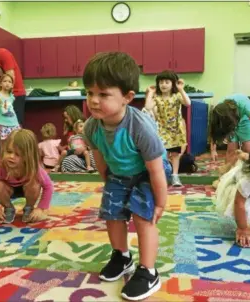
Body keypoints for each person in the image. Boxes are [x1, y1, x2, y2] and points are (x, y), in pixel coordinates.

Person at [83, 52, 172, 301]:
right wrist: (109, 185)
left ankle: (148, 271)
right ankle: (122, 256)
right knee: (112, 214)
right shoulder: (91, 126)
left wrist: (161, 202)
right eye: (89, 93)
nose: (93, 100)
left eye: (103, 94)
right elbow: (100, 157)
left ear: (127, 97)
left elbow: (156, 169)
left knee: (144, 218)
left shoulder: (140, 126)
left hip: (148, 173)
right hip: (118, 174)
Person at [0, 129, 54, 224]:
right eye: (9, 151)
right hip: (8, 190)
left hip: (28, 189)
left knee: (35, 184)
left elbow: (48, 186)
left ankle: (29, 208)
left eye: (17, 154)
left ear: (27, 156)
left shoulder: (34, 169)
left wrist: (41, 208)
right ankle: (8, 208)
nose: (11, 156)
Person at [144, 70, 191, 186]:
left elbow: (188, 103)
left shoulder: (177, 96)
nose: (163, 85)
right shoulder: (157, 97)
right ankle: (162, 175)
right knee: (161, 154)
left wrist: (181, 89)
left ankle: (175, 176)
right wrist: (150, 93)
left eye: (167, 82)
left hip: (175, 130)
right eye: (161, 82)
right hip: (162, 130)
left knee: (175, 155)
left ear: (173, 84)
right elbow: (148, 106)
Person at [210, 94, 250, 164]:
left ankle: (247, 171)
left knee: (247, 149)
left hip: (246, 119)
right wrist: (213, 150)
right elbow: (215, 130)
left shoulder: (245, 106)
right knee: (231, 150)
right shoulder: (219, 110)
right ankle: (229, 171)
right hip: (229, 121)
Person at [0, 74, 21, 149]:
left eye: (9, 82)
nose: (7, 83)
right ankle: (3, 160)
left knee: (14, 145)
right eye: (5, 81)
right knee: (3, 147)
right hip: (2, 124)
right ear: (0, 84)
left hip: (14, 123)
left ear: (12, 85)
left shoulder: (11, 96)